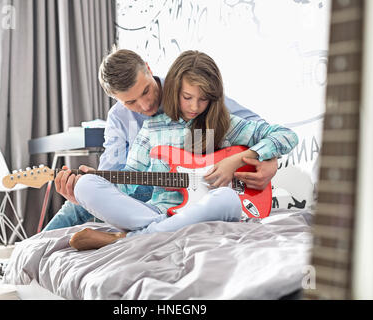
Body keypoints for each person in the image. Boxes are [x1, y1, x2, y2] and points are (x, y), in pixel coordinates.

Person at [0, 48, 279, 279]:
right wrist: (86, 189)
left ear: (148, 68)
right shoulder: (118, 119)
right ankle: (20, 260)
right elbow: (117, 175)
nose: (144, 105)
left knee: (220, 199)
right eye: (131, 101)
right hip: (141, 196)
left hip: (192, 192)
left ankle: (121, 239)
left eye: (146, 91)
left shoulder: (189, 94)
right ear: (115, 100)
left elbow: (258, 128)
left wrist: (267, 161)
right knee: (78, 201)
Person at [68, 50, 298, 251]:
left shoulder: (223, 122)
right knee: (86, 185)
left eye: (203, 99)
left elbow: (286, 135)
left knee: (227, 198)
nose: (194, 106)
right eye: (187, 97)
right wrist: (93, 184)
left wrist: (240, 159)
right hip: (157, 211)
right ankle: (154, 230)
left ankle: (127, 238)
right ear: (175, 88)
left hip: (204, 207)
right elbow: (127, 182)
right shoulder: (151, 128)